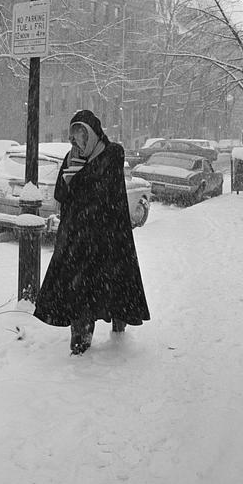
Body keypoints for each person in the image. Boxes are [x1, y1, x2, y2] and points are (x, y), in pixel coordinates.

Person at [33, 110, 151, 355]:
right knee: (80, 291)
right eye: (75, 136)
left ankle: (120, 323)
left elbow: (101, 190)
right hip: (77, 237)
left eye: (82, 135)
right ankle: (80, 339)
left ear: (93, 133)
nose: (78, 142)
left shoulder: (112, 152)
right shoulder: (71, 157)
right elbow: (61, 195)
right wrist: (69, 182)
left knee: (114, 285)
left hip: (108, 235)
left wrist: (76, 180)